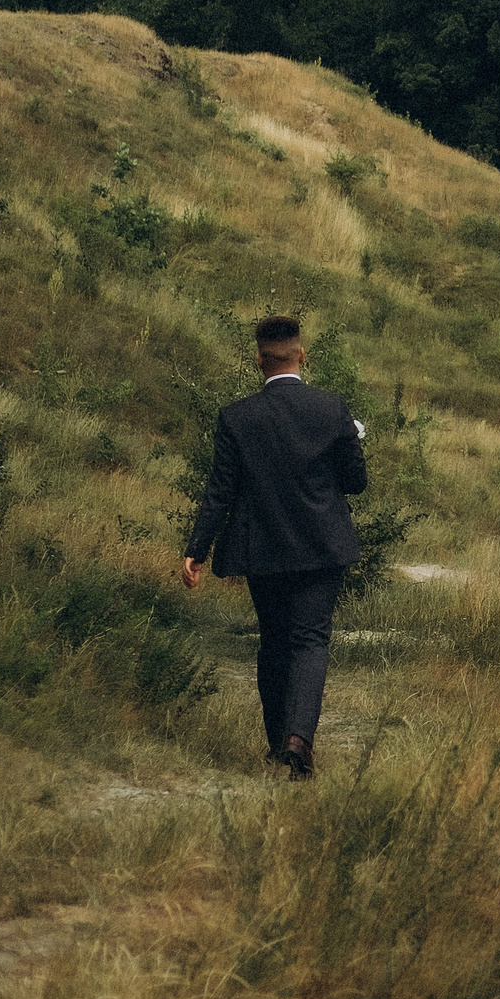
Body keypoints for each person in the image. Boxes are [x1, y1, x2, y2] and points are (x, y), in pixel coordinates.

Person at [182, 315, 369, 775]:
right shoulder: (332, 409)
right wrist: (354, 441)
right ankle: (298, 739)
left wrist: (196, 548)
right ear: (301, 356)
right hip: (322, 548)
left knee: (274, 641)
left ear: (258, 361)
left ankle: (275, 741)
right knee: (310, 640)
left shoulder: (237, 417)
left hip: (263, 549)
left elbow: (220, 491)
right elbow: (355, 483)